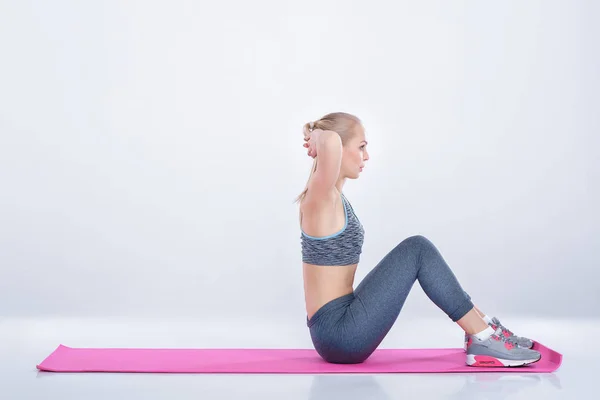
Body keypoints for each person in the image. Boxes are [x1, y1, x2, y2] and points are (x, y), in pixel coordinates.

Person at [296, 112, 541, 367]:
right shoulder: (320, 197)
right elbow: (331, 143)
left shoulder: (332, 196)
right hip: (340, 336)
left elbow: (332, 144)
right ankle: (483, 337)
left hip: (340, 326)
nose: (366, 156)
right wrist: (316, 134)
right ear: (338, 147)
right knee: (417, 249)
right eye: (361, 147)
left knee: (416, 249)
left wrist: (321, 136)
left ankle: (484, 329)